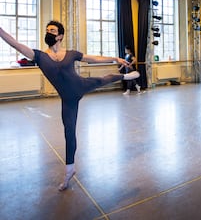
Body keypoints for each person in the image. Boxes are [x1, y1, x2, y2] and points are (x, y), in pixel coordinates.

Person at [0, 21, 139, 191]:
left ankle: (125, 78)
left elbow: (92, 58)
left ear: (60, 36)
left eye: (52, 30)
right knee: (69, 132)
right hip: (68, 100)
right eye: (47, 30)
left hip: (81, 85)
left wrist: (114, 58)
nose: (48, 33)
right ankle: (69, 170)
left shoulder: (71, 54)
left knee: (103, 79)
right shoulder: (39, 56)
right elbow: (15, 43)